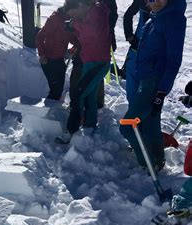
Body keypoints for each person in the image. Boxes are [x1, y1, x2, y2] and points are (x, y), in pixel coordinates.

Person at [120, 0, 187, 171]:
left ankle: (148, 164)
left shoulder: (173, 19)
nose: (152, 3)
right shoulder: (154, 18)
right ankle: (158, 160)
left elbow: (174, 60)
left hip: (154, 82)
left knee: (127, 126)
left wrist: (161, 91)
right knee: (150, 124)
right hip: (146, 77)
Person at [55, 0, 111, 144]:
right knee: (89, 96)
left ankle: (70, 131)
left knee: (78, 94)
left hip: (98, 63)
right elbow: (86, 34)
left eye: (74, 13)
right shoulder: (87, 15)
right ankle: (90, 125)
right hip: (89, 61)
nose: (74, 16)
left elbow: (92, 32)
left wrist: (74, 24)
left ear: (80, 5)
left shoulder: (97, 11)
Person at [36, 1, 80, 100]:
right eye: (74, 11)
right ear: (68, 9)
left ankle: (52, 112)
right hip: (48, 60)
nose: (76, 14)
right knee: (54, 91)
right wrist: (42, 55)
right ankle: (46, 113)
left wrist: (75, 47)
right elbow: (40, 36)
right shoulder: (55, 19)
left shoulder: (71, 21)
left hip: (60, 60)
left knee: (58, 90)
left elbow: (72, 38)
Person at [123, 0, 151, 104]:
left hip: (151, 56)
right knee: (132, 93)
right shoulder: (141, 2)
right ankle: (133, 117)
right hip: (136, 50)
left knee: (146, 95)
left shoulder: (168, 7)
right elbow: (128, 15)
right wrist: (129, 36)